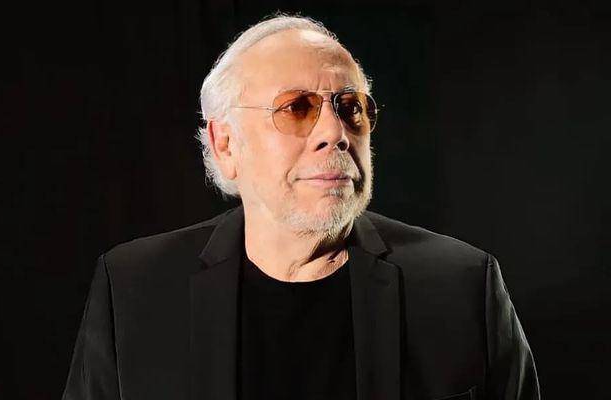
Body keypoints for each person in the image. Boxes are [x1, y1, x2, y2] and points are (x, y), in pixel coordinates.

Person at [62, 13, 540, 400]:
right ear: (225, 145)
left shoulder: (463, 286)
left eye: (351, 107)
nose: (335, 132)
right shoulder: (133, 291)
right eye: (296, 108)